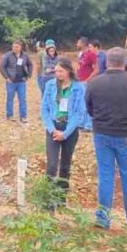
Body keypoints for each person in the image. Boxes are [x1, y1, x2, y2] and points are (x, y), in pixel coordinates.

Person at [85, 48, 127, 229]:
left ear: (107, 62)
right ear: (126, 62)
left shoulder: (95, 83)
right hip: (126, 134)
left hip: (102, 133)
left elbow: (89, 108)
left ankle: (103, 219)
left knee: (105, 176)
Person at [40, 58, 86, 206]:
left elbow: (79, 113)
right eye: (56, 71)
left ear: (69, 71)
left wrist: (65, 133)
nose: (58, 74)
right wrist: (51, 129)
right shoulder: (50, 85)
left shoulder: (79, 88)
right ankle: (47, 198)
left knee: (65, 166)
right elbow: (44, 109)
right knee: (52, 165)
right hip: (53, 127)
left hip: (69, 130)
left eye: (61, 71)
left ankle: (61, 199)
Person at [0, 40, 33, 123]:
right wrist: (6, 77)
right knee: (10, 98)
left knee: (22, 99)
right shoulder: (7, 55)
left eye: (17, 47)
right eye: (13, 46)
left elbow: (30, 64)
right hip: (11, 81)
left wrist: (28, 75)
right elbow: (2, 67)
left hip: (21, 81)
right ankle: (10, 115)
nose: (15, 48)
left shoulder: (25, 55)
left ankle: (23, 116)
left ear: (20, 47)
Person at [77, 37, 99, 131]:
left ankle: (88, 125)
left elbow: (96, 69)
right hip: (80, 81)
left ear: (83, 43)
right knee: (81, 103)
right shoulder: (82, 54)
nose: (76, 44)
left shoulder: (91, 54)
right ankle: (81, 123)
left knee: (87, 103)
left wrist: (87, 80)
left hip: (86, 82)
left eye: (78, 42)